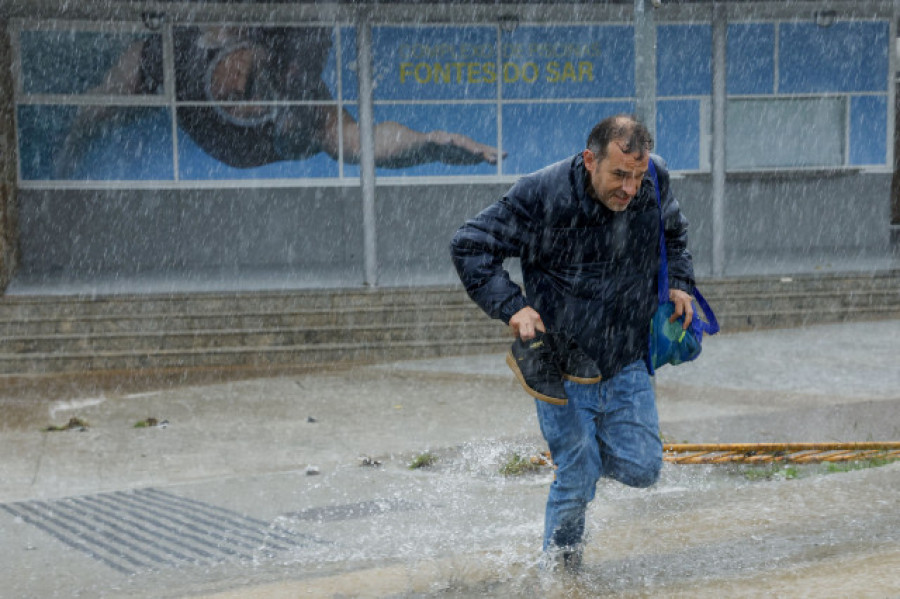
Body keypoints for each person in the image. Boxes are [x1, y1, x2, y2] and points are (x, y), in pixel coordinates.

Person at [449, 114, 695, 570]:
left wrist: (678, 281)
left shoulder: (655, 178)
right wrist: (512, 307)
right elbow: (469, 244)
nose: (630, 188)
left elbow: (674, 235)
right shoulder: (541, 193)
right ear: (589, 160)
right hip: (564, 366)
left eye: (637, 177)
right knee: (577, 478)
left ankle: (580, 459)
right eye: (619, 175)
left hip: (626, 357)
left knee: (644, 468)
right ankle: (562, 571)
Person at [56, 25, 501, 177]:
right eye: (240, 92)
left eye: (241, 95)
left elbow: (363, 142)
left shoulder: (298, 104)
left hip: (259, 140)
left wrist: (429, 145)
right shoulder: (175, 51)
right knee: (99, 106)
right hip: (229, 108)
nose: (238, 98)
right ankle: (73, 140)